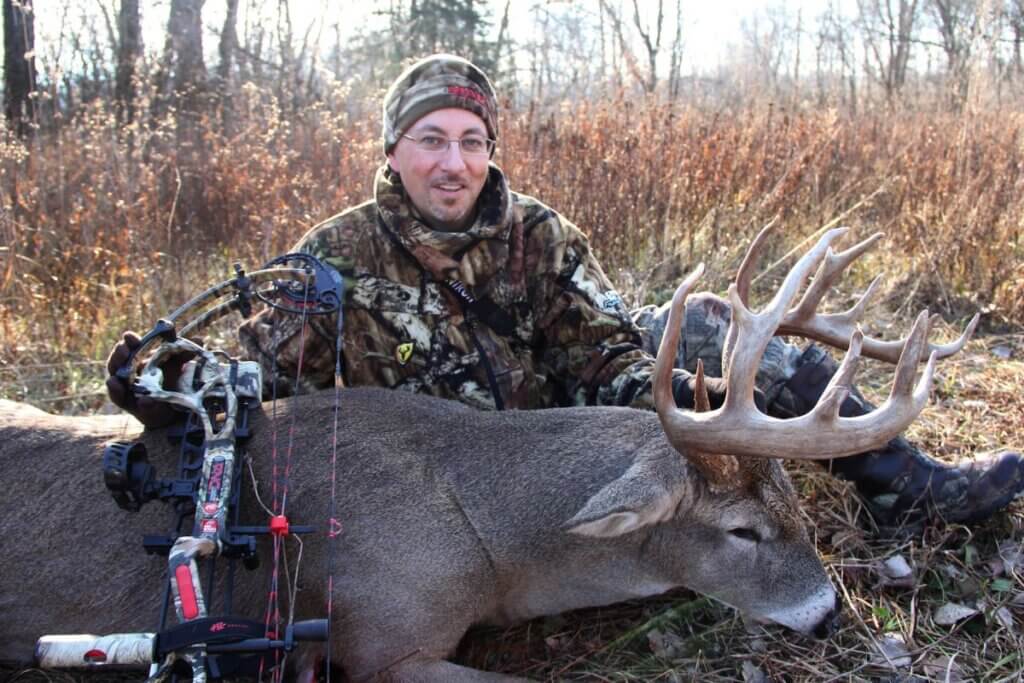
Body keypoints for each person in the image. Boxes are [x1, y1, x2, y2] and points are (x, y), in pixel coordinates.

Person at [107, 54, 1023, 532]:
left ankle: (904, 482)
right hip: (431, 486)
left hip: (557, 446)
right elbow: (250, 373)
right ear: (392, 150)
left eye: (470, 138)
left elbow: (603, 353)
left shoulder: (539, 235)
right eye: (430, 138)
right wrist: (179, 373)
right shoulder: (329, 256)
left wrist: (670, 427)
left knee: (702, 325)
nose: (452, 161)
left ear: (490, 148)